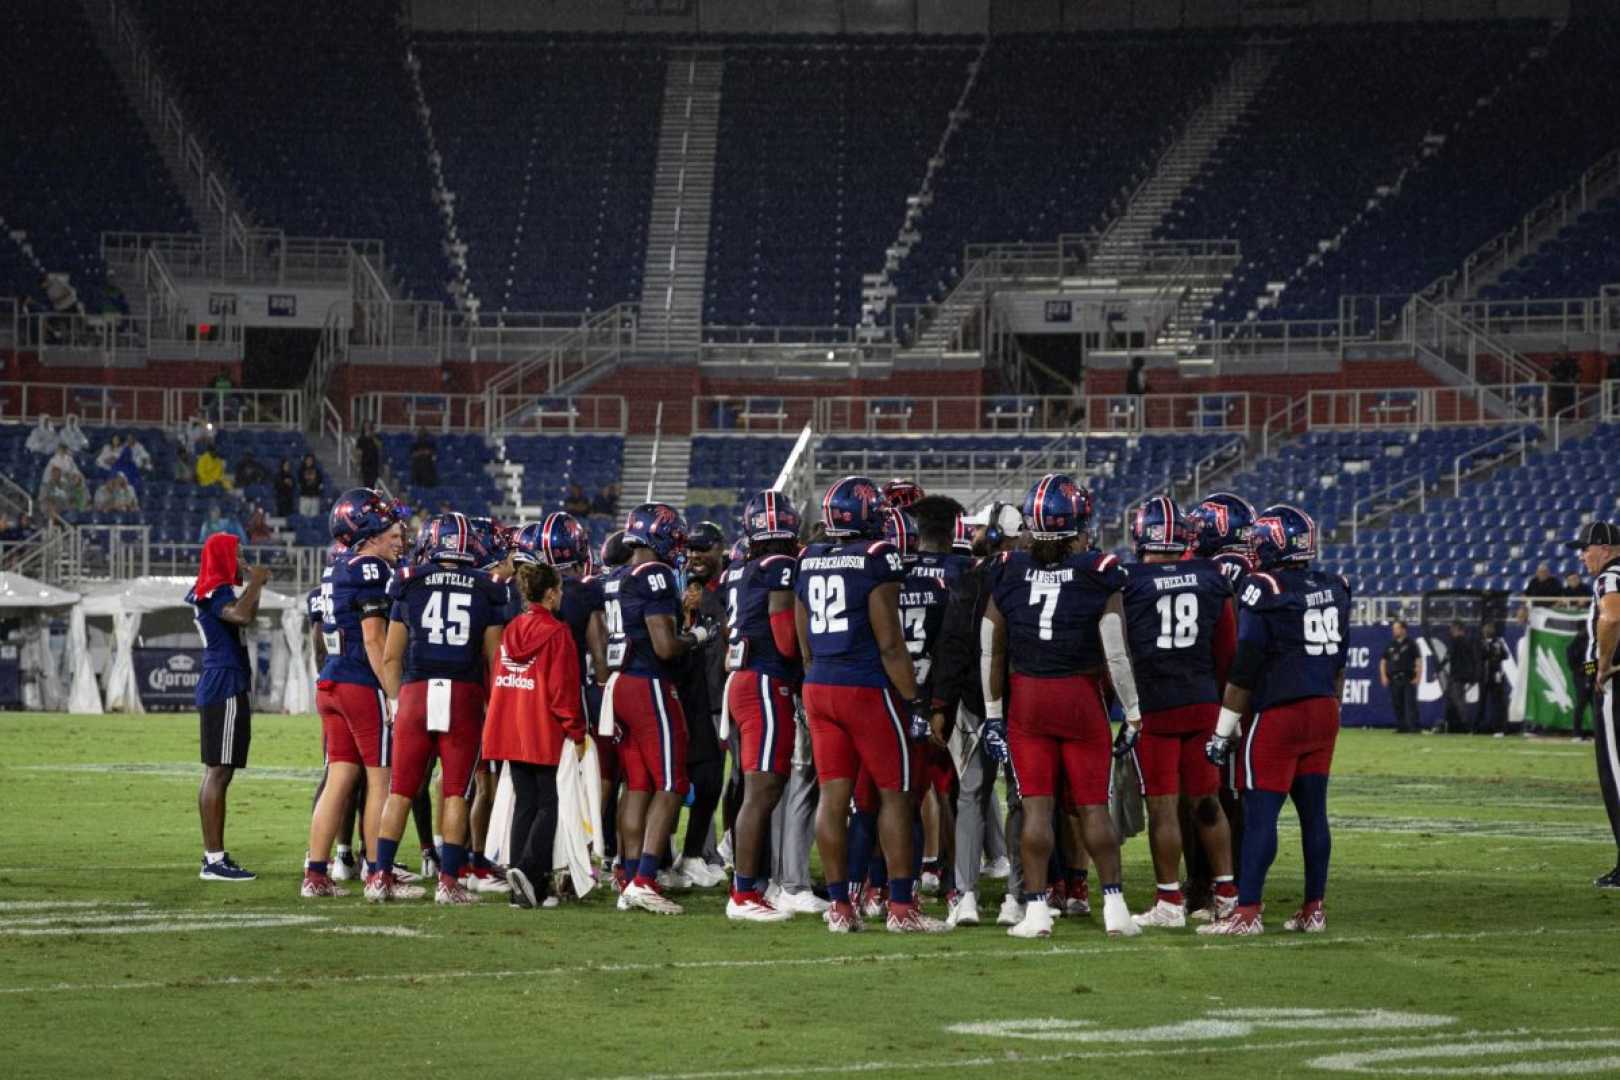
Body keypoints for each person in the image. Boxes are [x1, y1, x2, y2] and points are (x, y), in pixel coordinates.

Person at [983, 474, 1142, 939]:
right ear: (1078, 525)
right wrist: (1132, 712)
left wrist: (993, 714)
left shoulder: (1008, 568)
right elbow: (1115, 650)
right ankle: (1115, 907)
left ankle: (1035, 911)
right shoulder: (1099, 570)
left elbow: (989, 645)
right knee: (1093, 806)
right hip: (1079, 697)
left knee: (1035, 808)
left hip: (1028, 697)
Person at [797, 476, 945, 934]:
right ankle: (902, 908)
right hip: (866, 688)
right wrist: (915, 699)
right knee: (895, 796)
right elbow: (891, 645)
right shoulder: (877, 558)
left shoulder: (808, 558)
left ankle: (840, 907)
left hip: (819, 684)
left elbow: (804, 644)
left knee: (833, 799)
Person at [1201, 504, 1352, 936]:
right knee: (1314, 814)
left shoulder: (1262, 587)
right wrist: (1331, 707)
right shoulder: (1334, 585)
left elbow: (1244, 668)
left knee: (1260, 813)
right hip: (1323, 708)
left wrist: (1221, 733)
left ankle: (1247, 911)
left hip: (1279, 713)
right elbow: (1339, 662)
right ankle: (1314, 908)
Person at [1120, 495, 1238, 930]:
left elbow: (1119, 648)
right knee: (1208, 800)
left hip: (1156, 706)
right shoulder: (1211, 576)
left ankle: (1169, 899)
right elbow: (1227, 651)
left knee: (1164, 808)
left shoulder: (1128, 581)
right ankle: (1227, 893)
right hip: (1203, 701)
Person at [377, 512, 508, 905]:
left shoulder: (408, 582)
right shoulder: (488, 586)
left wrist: (396, 701)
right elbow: (494, 659)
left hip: (416, 690)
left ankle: (379, 876)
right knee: (455, 791)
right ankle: (449, 882)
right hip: (462, 693)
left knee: (400, 789)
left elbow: (390, 657)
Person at [604, 503, 717, 915]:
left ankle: (630, 873)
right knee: (671, 782)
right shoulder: (654, 574)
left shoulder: (616, 575)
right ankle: (646, 878)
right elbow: (665, 646)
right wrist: (699, 636)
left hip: (619, 684)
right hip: (648, 683)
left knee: (637, 783)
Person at [303, 489, 407, 899]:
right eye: (387, 529)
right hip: (360, 683)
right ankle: (376, 873)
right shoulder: (371, 569)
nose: (394, 536)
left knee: (340, 776)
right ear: (368, 532)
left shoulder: (337, 568)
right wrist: (395, 694)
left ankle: (315, 872)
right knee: (380, 778)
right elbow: (373, 639)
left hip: (330, 681)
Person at [934, 501, 1023, 928]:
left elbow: (952, 645)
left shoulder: (972, 580)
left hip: (979, 701)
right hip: (1022, 699)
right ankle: (1020, 896)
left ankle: (967, 895)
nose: (969, 537)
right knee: (1027, 798)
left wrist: (942, 705)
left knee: (972, 794)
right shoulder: (1030, 577)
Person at [720, 492, 804, 922]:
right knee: (762, 788)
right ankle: (744, 893)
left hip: (742, 678)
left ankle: (748, 887)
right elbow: (786, 637)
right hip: (765, 680)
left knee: (756, 787)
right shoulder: (780, 567)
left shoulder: (739, 567)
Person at [482, 558, 586, 908]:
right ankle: (527, 870)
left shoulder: (511, 628)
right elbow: (562, 691)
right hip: (541, 727)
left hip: (508, 724)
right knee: (548, 803)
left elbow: (499, 673)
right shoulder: (558, 633)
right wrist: (576, 729)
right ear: (552, 594)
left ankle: (524, 890)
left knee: (524, 803)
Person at [892, 496, 967, 903]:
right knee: (949, 793)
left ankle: (896, 882)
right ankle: (953, 884)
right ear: (953, 530)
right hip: (944, 699)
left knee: (900, 793)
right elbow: (959, 644)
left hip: (898, 696)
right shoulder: (963, 571)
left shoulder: (896, 570)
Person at [185, 532, 271, 882]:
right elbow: (240, 616)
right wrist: (256, 581)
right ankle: (213, 860)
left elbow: (243, 611)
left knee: (221, 771)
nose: (241, 560)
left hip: (224, 681)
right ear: (222, 556)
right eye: (236, 554)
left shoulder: (212, 588)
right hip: (224, 683)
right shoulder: (215, 590)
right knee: (218, 771)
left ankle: (215, 857)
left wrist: (254, 586)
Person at [1566, 521, 1620, 888]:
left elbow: (1612, 616)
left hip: (1617, 680)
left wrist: (1602, 665)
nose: (1583, 556)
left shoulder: (1611, 577)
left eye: (1586, 548)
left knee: (1615, 774)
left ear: (1604, 547)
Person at [1381, 619, 1422, 734]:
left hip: (1408, 677)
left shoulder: (1411, 643)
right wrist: (1384, 676)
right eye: (1394, 629)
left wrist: (1418, 676)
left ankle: (1414, 727)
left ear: (1404, 629)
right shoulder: (1391, 645)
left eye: (1397, 628)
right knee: (1397, 703)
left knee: (1410, 703)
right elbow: (1383, 661)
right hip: (1394, 678)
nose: (1394, 631)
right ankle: (1402, 726)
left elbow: (1418, 660)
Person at [1439, 621, 1479, 734]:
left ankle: (1466, 725)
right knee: (1454, 699)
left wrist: (1439, 667)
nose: (1451, 631)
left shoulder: (1455, 642)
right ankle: (1453, 725)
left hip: (1456, 675)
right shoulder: (1469, 642)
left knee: (1458, 700)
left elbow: (1448, 656)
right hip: (1465, 675)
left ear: (1457, 629)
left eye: (1452, 628)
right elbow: (1474, 659)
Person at [1478, 622, 1510, 736]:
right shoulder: (1481, 643)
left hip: (1495, 675)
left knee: (1497, 703)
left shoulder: (1498, 642)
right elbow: (1480, 657)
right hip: (1484, 676)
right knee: (1482, 703)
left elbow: (1505, 655)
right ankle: (1478, 727)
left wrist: (1495, 652)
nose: (1487, 632)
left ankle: (1499, 728)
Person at [1569, 620, 1594, 742]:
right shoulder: (1574, 646)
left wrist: (1590, 676)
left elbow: (1592, 661)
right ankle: (1576, 733)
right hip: (1580, 679)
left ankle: (1597, 733)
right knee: (1580, 706)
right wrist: (1585, 675)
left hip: (1590, 677)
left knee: (1594, 707)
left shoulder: (1590, 643)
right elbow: (1573, 666)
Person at [355, 423, 381, 490]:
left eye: (369, 427)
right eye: (366, 427)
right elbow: (358, 452)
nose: (367, 429)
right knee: (365, 485)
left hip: (374, 466)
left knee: (372, 486)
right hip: (365, 465)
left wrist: (373, 436)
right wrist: (358, 463)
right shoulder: (361, 439)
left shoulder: (375, 438)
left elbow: (379, 447)